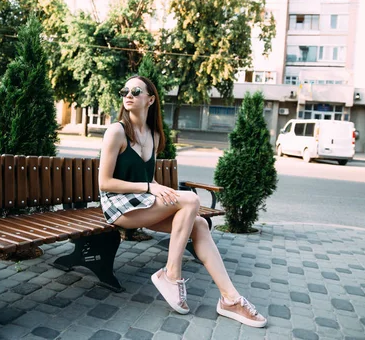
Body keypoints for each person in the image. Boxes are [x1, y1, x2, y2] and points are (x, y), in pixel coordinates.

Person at [98, 75, 267, 328]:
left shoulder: (153, 136)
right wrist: (150, 188)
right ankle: (171, 274)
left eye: (135, 90)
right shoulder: (116, 131)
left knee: (198, 224)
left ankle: (230, 299)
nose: (128, 95)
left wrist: (155, 187)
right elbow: (105, 182)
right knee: (190, 199)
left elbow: (148, 178)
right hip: (118, 207)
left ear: (151, 99)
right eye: (124, 91)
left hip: (141, 203)